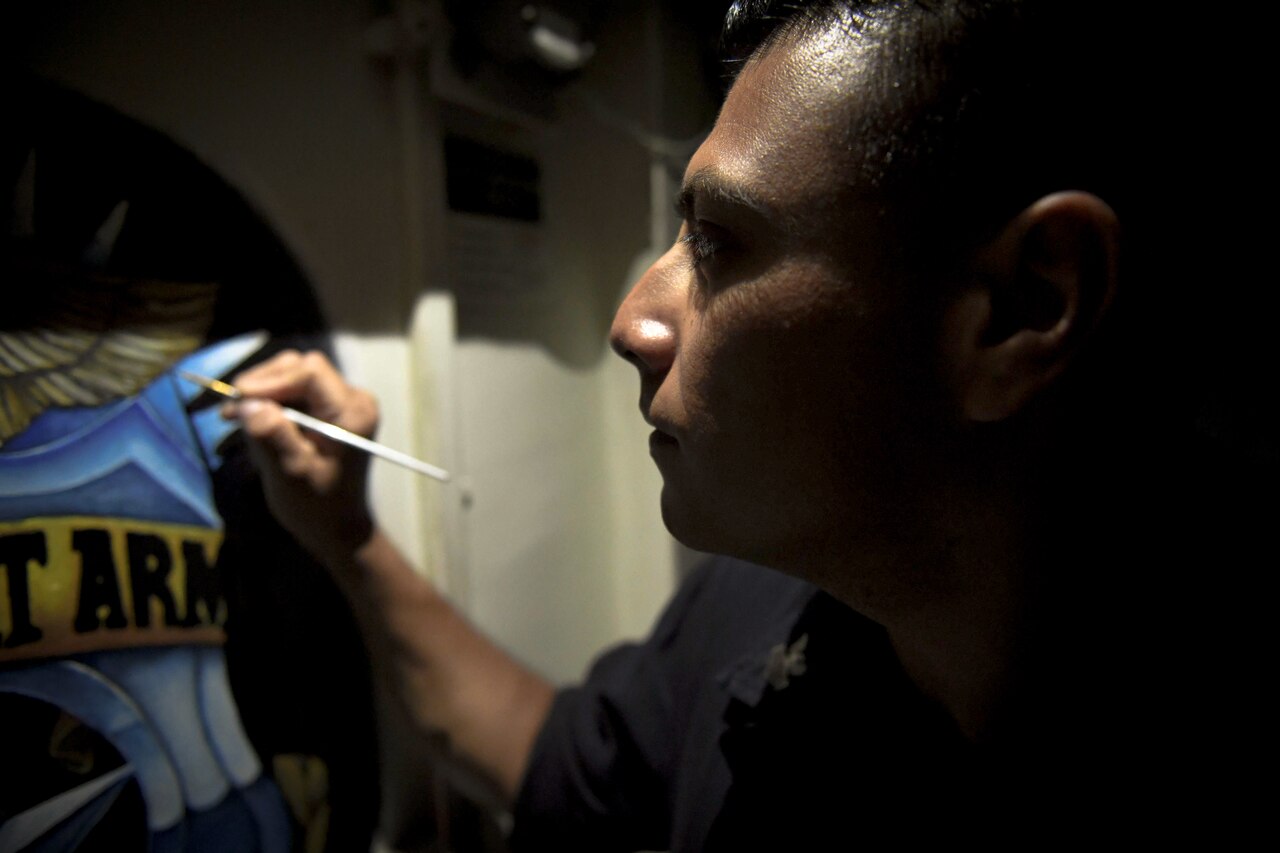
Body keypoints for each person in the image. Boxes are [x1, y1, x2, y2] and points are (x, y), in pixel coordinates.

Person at [227, 0, 1268, 847]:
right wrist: (348, 534)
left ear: (1021, 308)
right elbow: (549, 758)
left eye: (720, 243)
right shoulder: (769, 601)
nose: (631, 322)